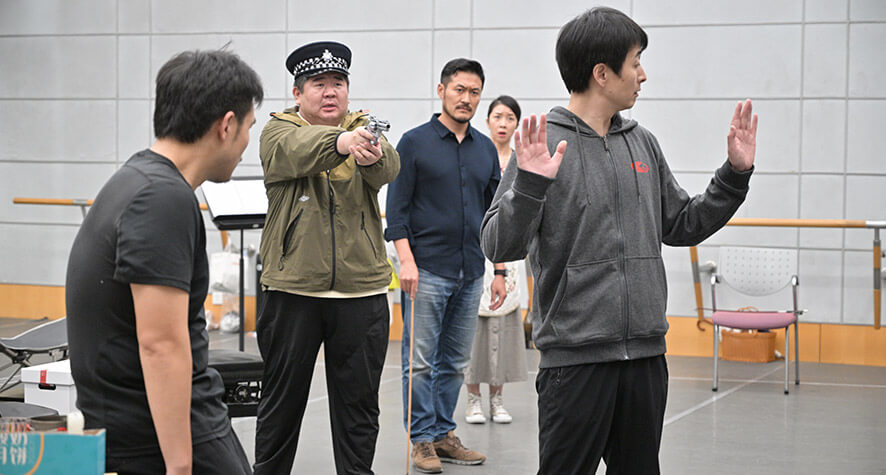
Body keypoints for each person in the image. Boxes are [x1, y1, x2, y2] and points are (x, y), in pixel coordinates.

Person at [481, 7, 758, 474]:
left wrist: (734, 175)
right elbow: (497, 244)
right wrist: (529, 186)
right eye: (635, 62)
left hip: (645, 358)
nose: (642, 75)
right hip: (574, 363)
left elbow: (681, 224)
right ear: (602, 74)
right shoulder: (542, 144)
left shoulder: (642, 142)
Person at [65, 49, 263, 475]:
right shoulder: (161, 198)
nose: (248, 143)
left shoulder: (136, 180)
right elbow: (160, 343)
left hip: (140, 426)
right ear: (226, 126)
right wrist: (179, 465)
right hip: (157, 438)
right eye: (249, 127)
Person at [254, 41, 399, 475]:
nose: (331, 91)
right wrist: (342, 141)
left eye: (338, 82)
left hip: (361, 290)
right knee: (281, 404)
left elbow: (389, 169)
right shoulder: (278, 131)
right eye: (319, 83)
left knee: (359, 408)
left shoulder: (365, 128)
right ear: (297, 93)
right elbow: (296, 152)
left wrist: (373, 154)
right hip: (292, 289)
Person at [385, 58, 499, 473]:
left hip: (471, 271)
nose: (466, 98)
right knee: (419, 363)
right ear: (442, 91)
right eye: (459, 89)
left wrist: (500, 270)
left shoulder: (485, 149)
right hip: (426, 271)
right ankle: (421, 440)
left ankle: (443, 434)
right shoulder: (414, 143)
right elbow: (396, 209)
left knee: (453, 362)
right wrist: (406, 262)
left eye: (474, 92)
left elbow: (495, 216)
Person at [464, 95, 529, 425]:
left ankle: (498, 399)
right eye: (498, 117)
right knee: (474, 328)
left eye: (510, 118)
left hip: (510, 251)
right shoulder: (476, 155)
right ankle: (473, 399)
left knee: (503, 328)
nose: (503, 124)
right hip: (477, 247)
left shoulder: (521, 161)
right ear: (487, 120)